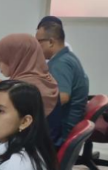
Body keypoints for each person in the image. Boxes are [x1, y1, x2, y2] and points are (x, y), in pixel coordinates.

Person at [36, 16, 89, 144]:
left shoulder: (60, 63)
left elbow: (63, 97)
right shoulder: (67, 56)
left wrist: (32, 104)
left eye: (38, 42)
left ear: (51, 42)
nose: (36, 47)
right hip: (67, 123)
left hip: (61, 130)